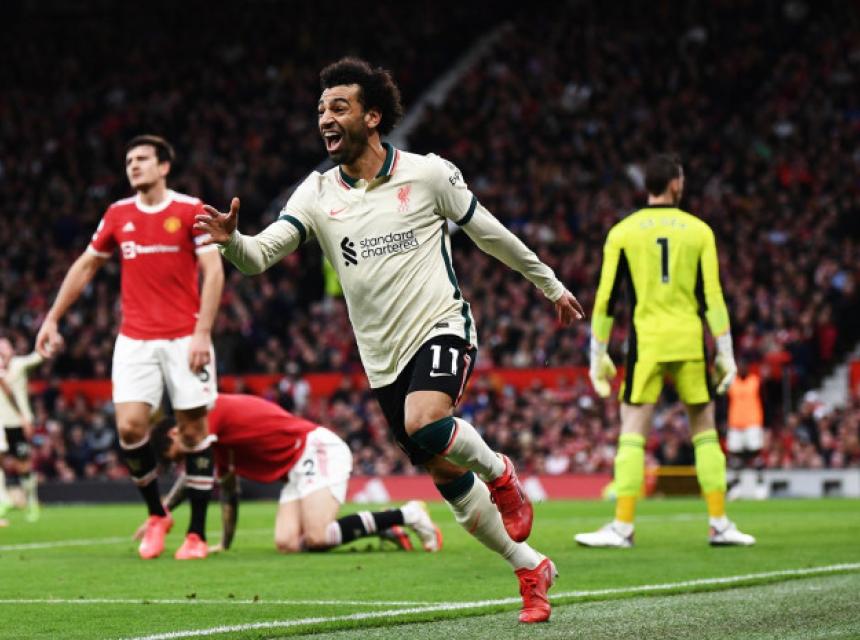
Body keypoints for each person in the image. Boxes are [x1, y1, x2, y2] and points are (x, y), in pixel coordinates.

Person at [194, 57, 584, 623]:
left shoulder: (427, 174)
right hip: (382, 360)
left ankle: (501, 473)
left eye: (339, 107)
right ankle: (529, 566)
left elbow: (489, 234)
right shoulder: (317, 193)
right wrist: (232, 241)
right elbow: (258, 257)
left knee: (426, 421)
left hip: (441, 324)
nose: (325, 119)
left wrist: (549, 284)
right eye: (321, 109)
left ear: (372, 116)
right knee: (446, 477)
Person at [35, 135, 225, 560]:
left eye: (142, 159)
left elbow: (213, 272)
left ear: (164, 166)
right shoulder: (118, 214)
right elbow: (87, 265)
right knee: (130, 428)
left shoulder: (190, 209)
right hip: (135, 339)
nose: (133, 166)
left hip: (185, 337)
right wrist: (52, 317)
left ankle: (196, 535)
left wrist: (202, 332)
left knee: (193, 432)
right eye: (128, 161)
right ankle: (158, 515)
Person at [577, 153, 755, 548]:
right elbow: (713, 296)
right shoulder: (699, 231)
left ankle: (623, 526)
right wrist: (725, 351)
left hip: (647, 343)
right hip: (690, 341)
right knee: (705, 430)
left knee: (632, 431)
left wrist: (597, 355)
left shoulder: (623, 232)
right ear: (675, 184)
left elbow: (606, 299)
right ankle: (720, 523)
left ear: (648, 185)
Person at [141, 393, 442, 554]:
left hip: (314, 448)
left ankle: (407, 514)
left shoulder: (210, 412)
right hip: (295, 469)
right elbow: (228, 493)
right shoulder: (216, 447)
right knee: (287, 544)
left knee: (318, 536)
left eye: (180, 455)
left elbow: (192, 478)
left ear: (174, 433)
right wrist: (225, 543)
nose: (187, 460)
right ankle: (381, 526)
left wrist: (161, 510)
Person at [0, 338, 43, 521]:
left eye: (5, 347)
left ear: (11, 350)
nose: (2, 350)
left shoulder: (19, 365)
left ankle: (32, 502)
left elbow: (38, 357)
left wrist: (49, 343)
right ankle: (3, 500)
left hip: (18, 423)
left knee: (23, 464)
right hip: (1, 422)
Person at [726, 360, 767, 500]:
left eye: (744, 366)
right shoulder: (732, 382)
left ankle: (760, 486)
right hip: (735, 424)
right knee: (735, 458)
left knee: (756, 455)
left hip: (753, 423)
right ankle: (735, 488)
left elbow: (765, 400)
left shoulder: (755, 381)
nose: (742, 369)